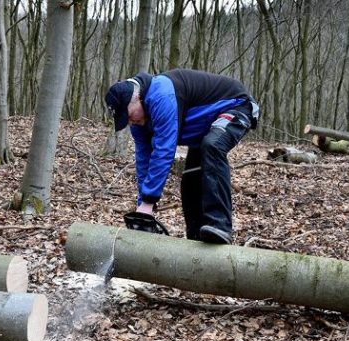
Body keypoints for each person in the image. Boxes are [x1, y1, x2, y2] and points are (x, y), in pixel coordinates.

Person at [105, 69, 259, 244]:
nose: (131, 122)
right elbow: (143, 160)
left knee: (213, 146)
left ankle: (220, 225)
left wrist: (149, 200)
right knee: (189, 182)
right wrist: (143, 205)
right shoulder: (139, 121)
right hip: (204, 130)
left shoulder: (161, 95)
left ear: (138, 98)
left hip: (237, 106)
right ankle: (195, 240)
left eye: (130, 116)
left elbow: (164, 151)